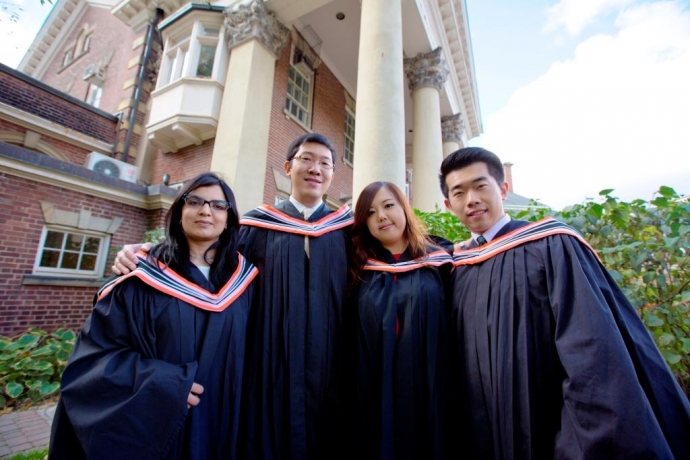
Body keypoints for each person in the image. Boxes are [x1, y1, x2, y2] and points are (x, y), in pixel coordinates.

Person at [111, 133, 353, 459]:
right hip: (266, 369)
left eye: (325, 163)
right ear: (287, 167)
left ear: (332, 175)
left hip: (332, 372)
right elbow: (206, 256)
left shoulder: (348, 232)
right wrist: (145, 252)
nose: (316, 169)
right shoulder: (255, 227)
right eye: (306, 159)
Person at [439, 147, 690, 459]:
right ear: (449, 205)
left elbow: (590, 348)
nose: (471, 199)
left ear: (503, 188)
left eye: (480, 186)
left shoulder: (551, 244)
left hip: (548, 422)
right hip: (478, 424)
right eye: (459, 192)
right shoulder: (456, 265)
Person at [49, 173, 258, 459]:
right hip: (161, 424)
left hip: (223, 421)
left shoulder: (243, 280)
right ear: (179, 212)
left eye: (219, 206)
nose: (206, 210)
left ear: (229, 218)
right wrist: (165, 385)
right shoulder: (141, 278)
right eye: (195, 201)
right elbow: (93, 360)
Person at [350, 181, 453, 460]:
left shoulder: (442, 259)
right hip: (375, 382)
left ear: (404, 207)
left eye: (388, 205)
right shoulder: (358, 268)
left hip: (429, 380)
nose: (381, 216)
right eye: (370, 213)